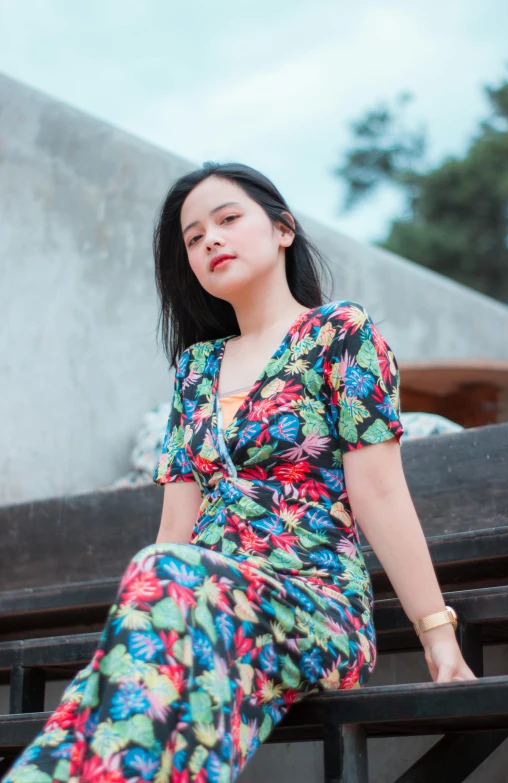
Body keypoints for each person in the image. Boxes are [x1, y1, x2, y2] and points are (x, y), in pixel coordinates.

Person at [2, 161, 476, 783]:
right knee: (144, 705)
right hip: (200, 605)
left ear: (283, 230)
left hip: (314, 604)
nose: (210, 241)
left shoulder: (340, 334)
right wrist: (142, 628)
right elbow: (175, 526)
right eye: (193, 238)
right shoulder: (194, 369)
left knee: (145, 673)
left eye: (227, 220)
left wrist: (439, 637)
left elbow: (381, 493)